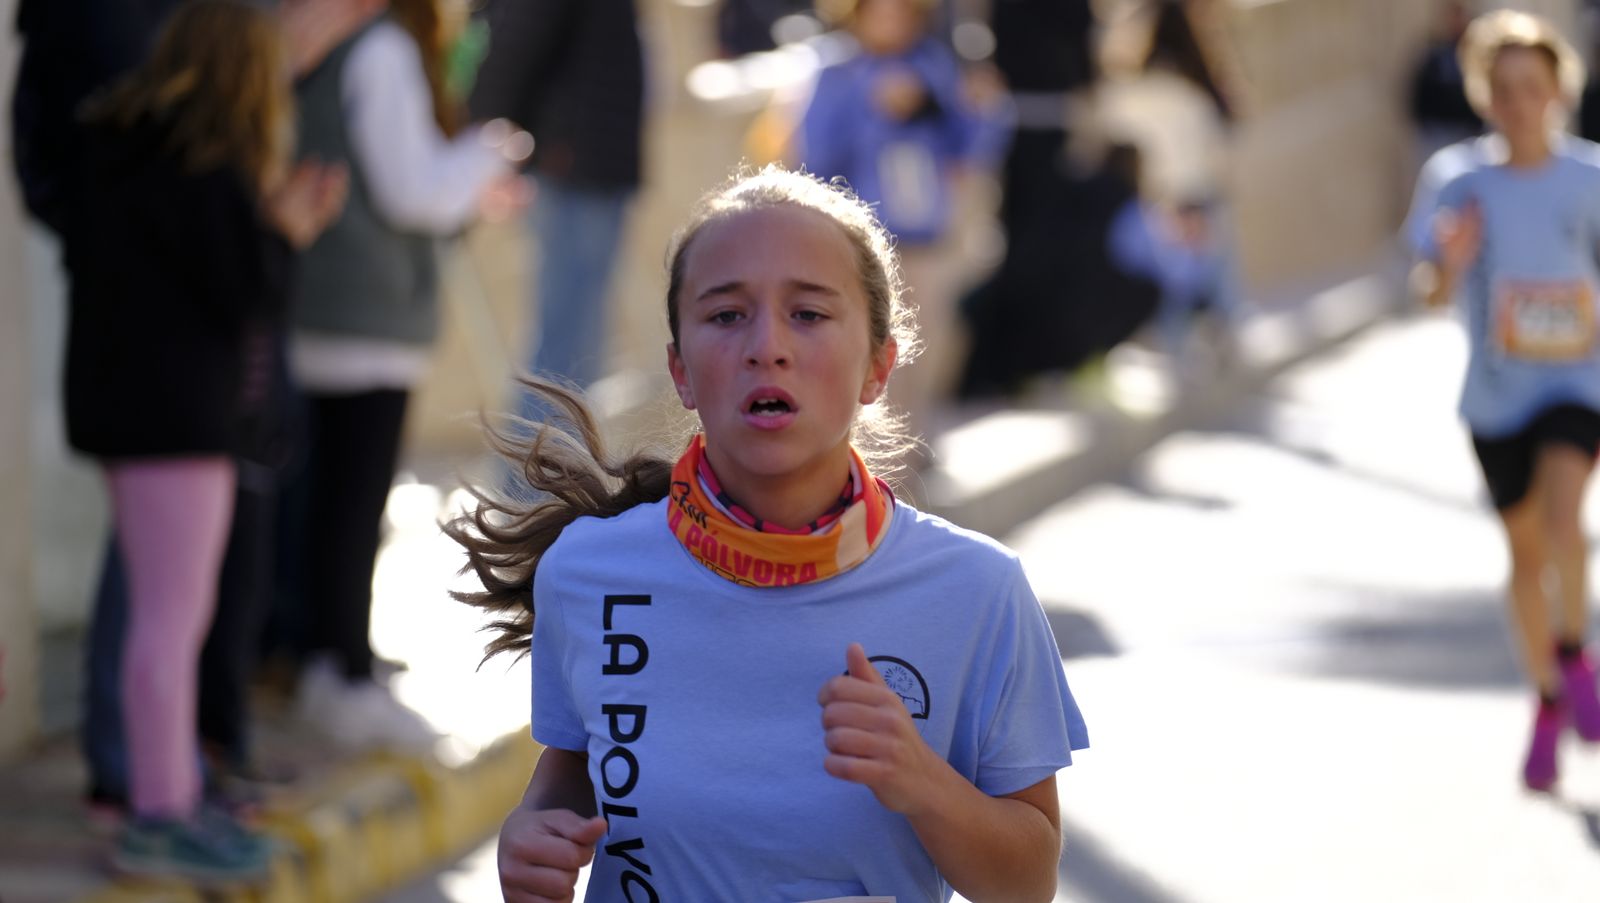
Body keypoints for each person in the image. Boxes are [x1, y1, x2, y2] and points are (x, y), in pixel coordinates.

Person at [447, 166, 1088, 901]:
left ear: (879, 365)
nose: (767, 346)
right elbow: (565, 784)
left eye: (809, 314)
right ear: (680, 371)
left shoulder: (978, 590)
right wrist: (529, 840)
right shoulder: (589, 570)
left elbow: (1029, 881)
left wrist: (923, 782)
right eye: (725, 316)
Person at [62, 0, 347, 879]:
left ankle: (168, 791)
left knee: (162, 617)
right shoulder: (206, 161)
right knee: (170, 622)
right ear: (242, 72)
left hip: (130, 414)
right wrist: (286, 234)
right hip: (179, 422)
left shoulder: (125, 143)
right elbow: (238, 293)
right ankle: (160, 811)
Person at [280, 0, 527, 751]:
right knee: (351, 506)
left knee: (326, 502)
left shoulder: (326, 44)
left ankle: (332, 662)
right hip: (364, 315)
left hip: (321, 306)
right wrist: (490, 152)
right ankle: (343, 675)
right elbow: (412, 188)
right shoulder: (381, 50)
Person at [1412, 9, 1600, 793]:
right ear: (1485, 96)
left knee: (1565, 525)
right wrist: (1452, 263)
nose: (1521, 102)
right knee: (1525, 556)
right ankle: (1551, 698)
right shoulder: (1458, 181)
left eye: (1535, 86)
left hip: (1577, 384)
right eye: (1506, 88)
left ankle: (1575, 648)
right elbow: (1429, 295)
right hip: (1494, 398)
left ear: (1560, 90)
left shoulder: (1591, 179)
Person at [798, 0, 1008, 452]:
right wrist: (877, 111)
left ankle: (913, 448)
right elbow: (813, 156)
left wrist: (981, 109)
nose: (891, 19)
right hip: (857, 239)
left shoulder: (933, 65)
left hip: (925, 236)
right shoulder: (836, 69)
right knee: (859, 349)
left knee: (923, 346)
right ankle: (858, 454)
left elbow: (972, 147)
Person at [468, 0, 646, 397]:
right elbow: (515, 43)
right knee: (564, 351)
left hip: (585, 162)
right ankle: (535, 460)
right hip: (571, 164)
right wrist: (485, 149)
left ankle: (548, 457)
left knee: (577, 347)